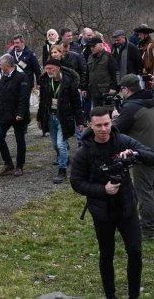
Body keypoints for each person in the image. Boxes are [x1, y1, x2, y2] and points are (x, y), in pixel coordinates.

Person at [70, 106, 154, 299]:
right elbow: (76, 183)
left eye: (107, 124)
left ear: (111, 122)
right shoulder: (84, 152)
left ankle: (134, 295)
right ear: (91, 126)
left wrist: (135, 155)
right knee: (106, 254)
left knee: (135, 252)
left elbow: (151, 156)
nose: (103, 129)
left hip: (127, 207)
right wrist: (102, 190)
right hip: (102, 211)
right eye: (98, 125)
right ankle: (111, 295)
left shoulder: (123, 141)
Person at [114, 73, 154, 240]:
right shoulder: (149, 100)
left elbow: (117, 131)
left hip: (144, 153)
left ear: (126, 89)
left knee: (145, 191)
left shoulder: (130, 107)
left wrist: (115, 117)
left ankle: (149, 229)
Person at [37, 59, 84, 183]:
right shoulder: (46, 81)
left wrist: (80, 121)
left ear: (58, 68)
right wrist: (39, 118)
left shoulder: (69, 82)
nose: (48, 71)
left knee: (61, 144)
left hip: (64, 117)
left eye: (51, 69)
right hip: (50, 116)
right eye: (46, 69)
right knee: (54, 144)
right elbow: (42, 101)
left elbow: (76, 104)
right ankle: (65, 158)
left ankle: (62, 170)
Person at [0, 54, 30, 177]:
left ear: (7, 65)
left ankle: (19, 166)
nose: (0, 66)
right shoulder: (3, 78)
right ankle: (8, 163)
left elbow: (23, 97)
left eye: (1, 64)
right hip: (4, 115)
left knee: (20, 141)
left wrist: (20, 113)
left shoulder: (21, 77)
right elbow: (1, 96)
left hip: (17, 115)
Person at [87, 36, 119, 109]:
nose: (92, 48)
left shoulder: (108, 56)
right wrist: (85, 87)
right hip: (94, 92)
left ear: (101, 45)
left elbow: (115, 73)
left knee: (107, 114)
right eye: (90, 46)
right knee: (97, 114)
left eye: (94, 46)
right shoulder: (90, 57)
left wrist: (114, 88)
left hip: (106, 92)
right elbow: (88, 73)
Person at [135, 24, 154, 89]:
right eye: (138, 34)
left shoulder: (151, 45)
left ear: (145, 34)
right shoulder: (140, 45)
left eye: (140, 34)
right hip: (142, 75)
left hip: (150, 75)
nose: (139, 36)